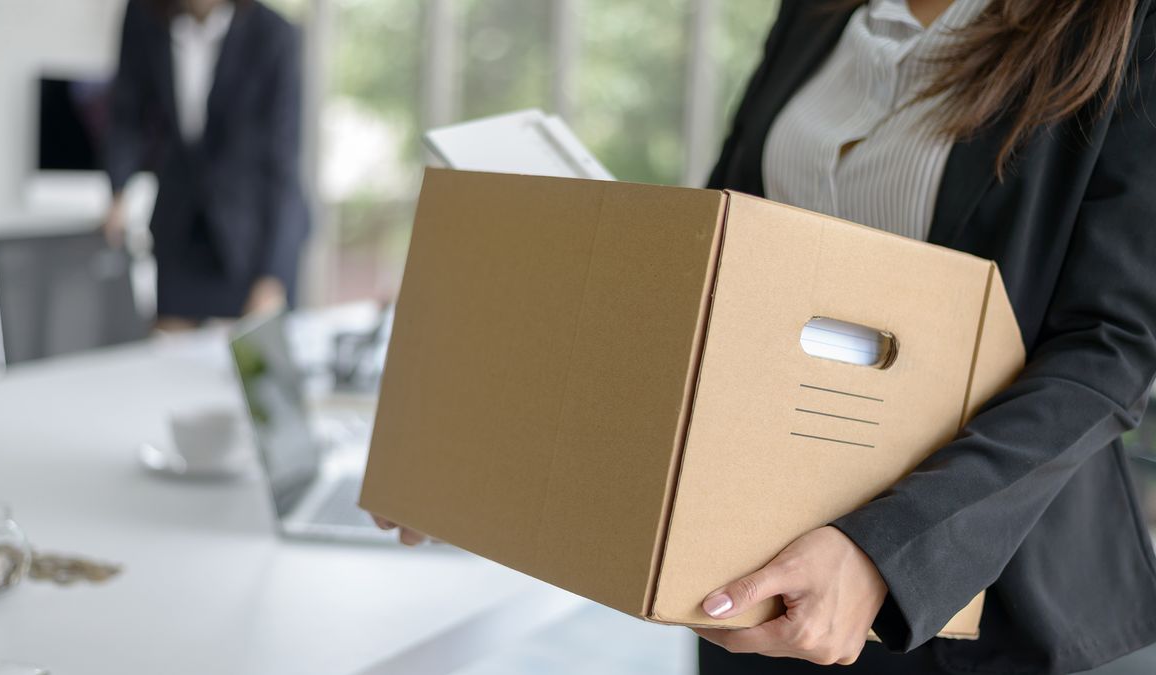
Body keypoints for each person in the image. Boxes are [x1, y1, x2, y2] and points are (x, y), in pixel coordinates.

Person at [378, 0, 1156, 673]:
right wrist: (487, 452)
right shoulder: (818, 14)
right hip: (750, 575)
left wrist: (886, 548)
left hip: (969, 594)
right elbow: (715, 272)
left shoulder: (1123, 29)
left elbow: (1112, 346)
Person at [104, 0, 309, 330]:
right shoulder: (144, 16)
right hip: (180, 226)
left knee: (251, 371)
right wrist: (118, 189)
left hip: (252, 235)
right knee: (170, 362)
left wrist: (274, 274)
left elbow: (283, 163)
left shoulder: (274, 35)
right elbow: (126, 112)